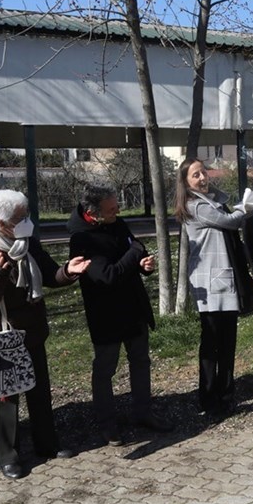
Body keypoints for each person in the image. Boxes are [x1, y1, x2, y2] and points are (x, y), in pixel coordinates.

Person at [0, 190, 91, 479]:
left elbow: (49, 275)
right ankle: (7, 456)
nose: (27, 222)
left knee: (39, 391)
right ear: (1, 224)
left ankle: (47, 445)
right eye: (21, 218)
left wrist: (68, 272)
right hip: (2, 339)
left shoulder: (28, 243)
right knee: (5, 400)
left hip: (32, 333)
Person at [67, 184, 173, 445]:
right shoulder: (82, 240)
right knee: (105, 369)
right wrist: (135, 253)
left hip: (133, 307)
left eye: (117, 207)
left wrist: (143, 264)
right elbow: (107, 276)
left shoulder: (118, 223)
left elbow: (133, 254)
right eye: (111, 209)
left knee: (141, 361)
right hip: (106, 314)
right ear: (94, 213)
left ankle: (143, 412)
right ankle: (107, 423)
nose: (117, 211)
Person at [174, 158, 248, 416]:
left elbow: (222, 207)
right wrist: (245, 206)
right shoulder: (195, 206)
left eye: (204, 172)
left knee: (227, 342)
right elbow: (230, 221)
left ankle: (226, 394)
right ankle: (209, 396)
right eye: (196, 175)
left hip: (222, 280)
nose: (203, 178)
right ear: (185, 183)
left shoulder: (206, 200)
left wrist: (217, 195)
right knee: (212, 342)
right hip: (210, 282)